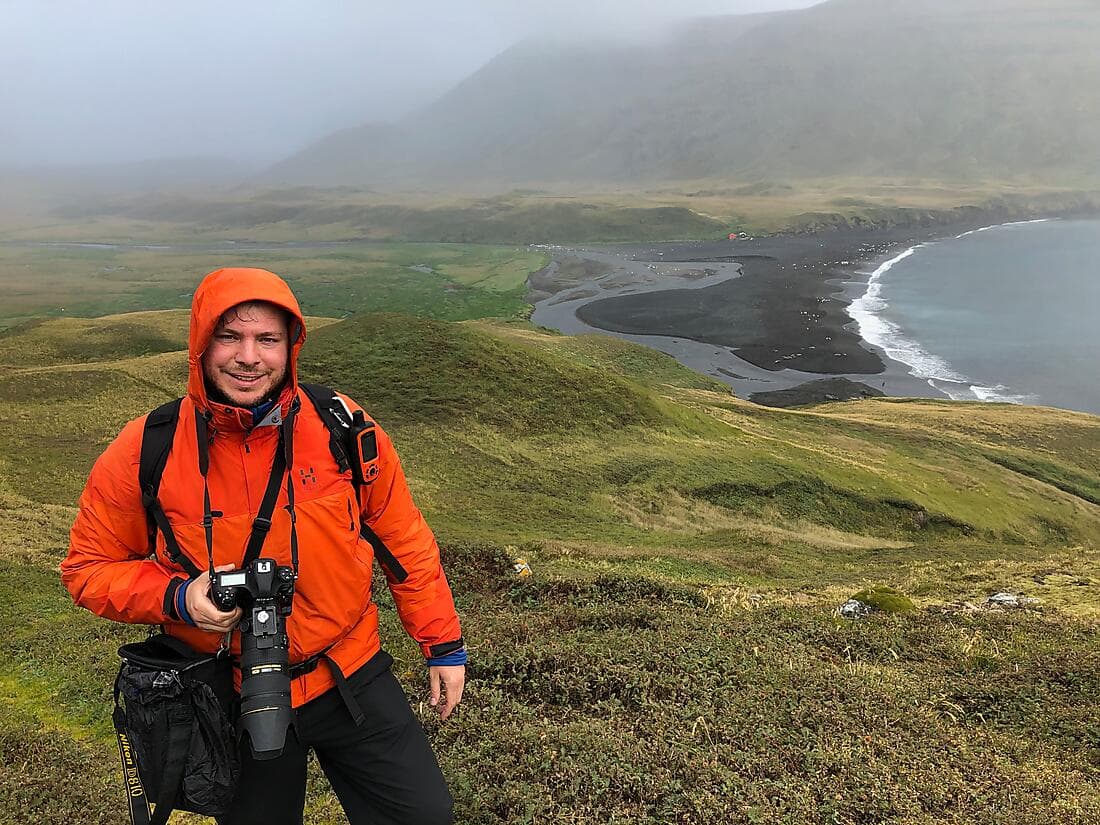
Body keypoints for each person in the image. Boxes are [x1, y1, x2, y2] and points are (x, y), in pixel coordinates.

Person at [61, 267, 464, 825]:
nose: (248, 357)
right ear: (200, 344)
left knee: (424, 817)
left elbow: (404, 541)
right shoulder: (145, 448)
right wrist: (180, 598)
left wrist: (442, 645)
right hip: (225, 692)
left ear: (290, 347)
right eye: (229, 336)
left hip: (349, 669)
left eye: (267, 339)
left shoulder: (342, 428)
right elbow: (87, 570)